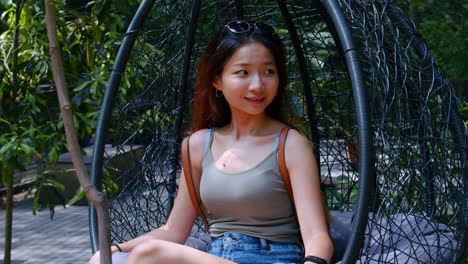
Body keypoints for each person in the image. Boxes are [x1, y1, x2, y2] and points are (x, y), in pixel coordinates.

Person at [89, 20, 333, 264]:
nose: (258, 85)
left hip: (274, 258)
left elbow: (317, 235)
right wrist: (115, 248)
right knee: (107, 260)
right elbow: (173, 231)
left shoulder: (291, 144)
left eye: (268, 71)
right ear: (217, 80)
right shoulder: (197, 145)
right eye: (243, 72)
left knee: (150, 255)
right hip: (218, 257)